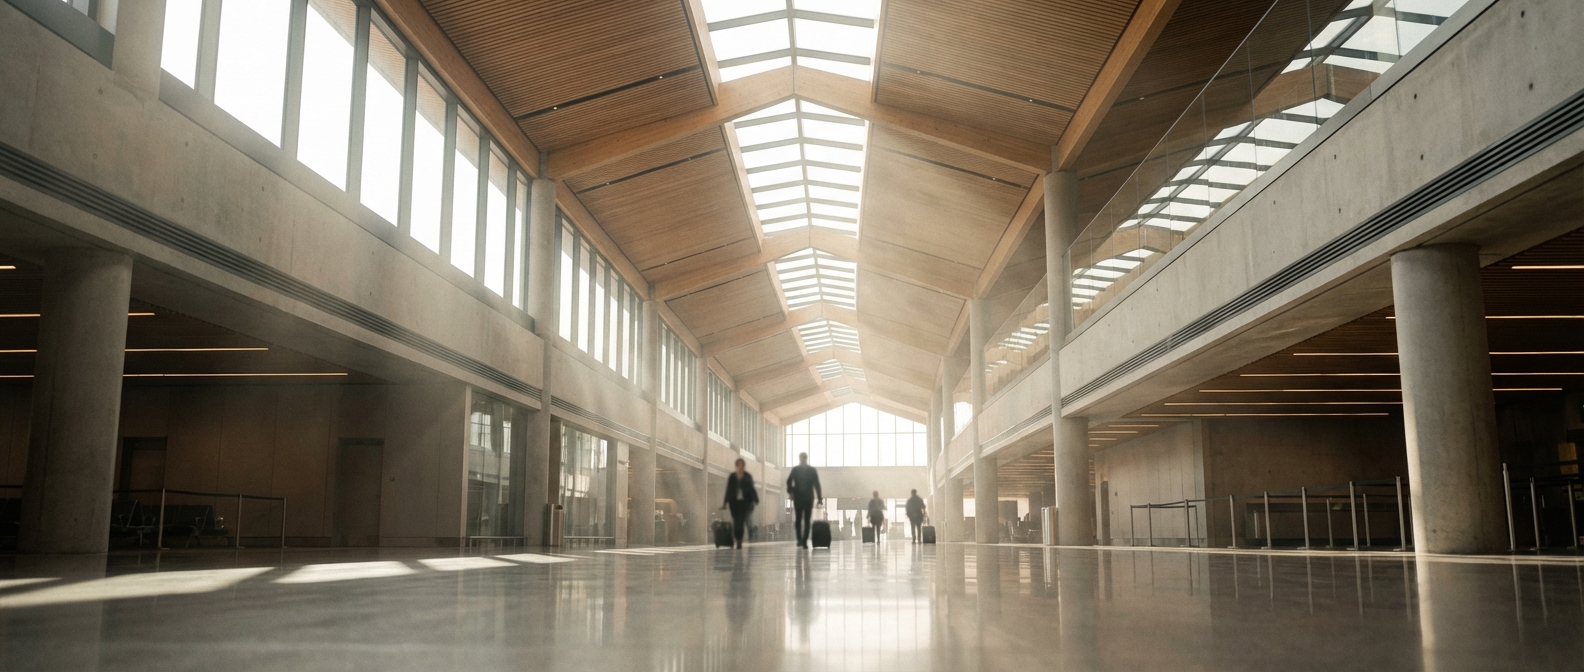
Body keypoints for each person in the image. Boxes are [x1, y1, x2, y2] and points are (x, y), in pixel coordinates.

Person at [786, 452, 823, 548]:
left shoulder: (798, 470)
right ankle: (800, 540)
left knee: (804, 519)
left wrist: (819, 498)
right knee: (800, 519)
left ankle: (803, 540)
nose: (802, 460)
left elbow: (816, 484)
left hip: (804, 498)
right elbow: (789, 481)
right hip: (803, 497)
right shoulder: (809, 470)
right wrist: (791, 492)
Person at [721, 458, 759, 549]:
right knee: (736, 521)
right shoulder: (732, 477)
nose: (740, 467)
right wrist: (725, 503)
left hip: (745, 503)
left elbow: (751, 488)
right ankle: (737, 538)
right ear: (737, 466)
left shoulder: (747, 476)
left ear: (744, 466)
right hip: (734, 502)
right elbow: (728, 490)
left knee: (741, 521)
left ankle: (739, 541)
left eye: (742, 465)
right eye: (738, 465)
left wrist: (755, 499)